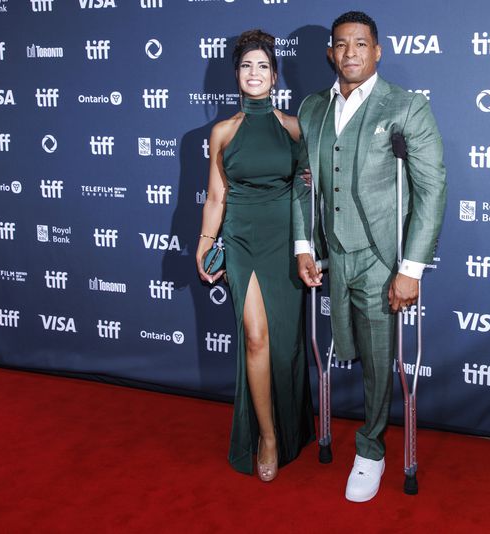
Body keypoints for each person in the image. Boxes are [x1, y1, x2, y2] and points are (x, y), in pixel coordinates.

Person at [291, 11, 446, 501]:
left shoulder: (405, 107)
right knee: (342, 346)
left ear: (377, 51)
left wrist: (411, 267)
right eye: (341, 44)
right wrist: (303, 244)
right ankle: (343, 432)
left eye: (361, 44)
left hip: (383, 256)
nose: (351, 52)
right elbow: (303, 182)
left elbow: (431, 187)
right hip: (333, 252)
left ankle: (371, 450)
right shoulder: (313, 108)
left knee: (382, 358)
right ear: (330, 53)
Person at [196, 29, 315, 482]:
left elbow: (306, 191)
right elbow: (215, 194)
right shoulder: (223, 131)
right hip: (241, 237)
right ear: (236, 75)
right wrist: (206, 242)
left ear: (275, 75)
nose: (254, 73)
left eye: (263, 66)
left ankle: (292, 425)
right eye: (247, 66)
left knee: (284, 346)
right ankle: (266, 436)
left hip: (285, 239)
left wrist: (309, 245)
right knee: (255, 337)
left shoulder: (292, 127)